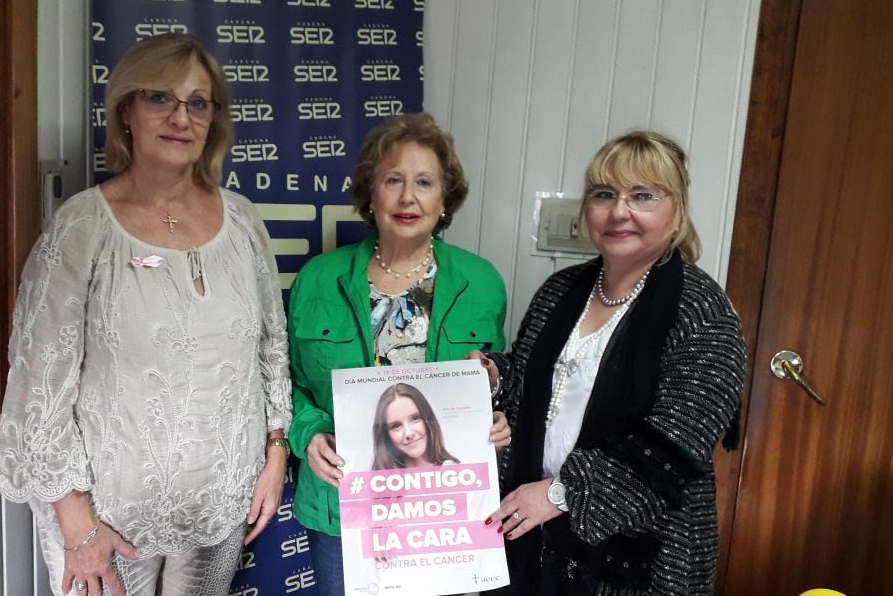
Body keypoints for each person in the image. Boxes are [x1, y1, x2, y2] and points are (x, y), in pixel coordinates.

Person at [0, 34, 292, 596]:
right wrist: (76, 524)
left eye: (198, 102)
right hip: (108, 516)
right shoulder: (83, 227)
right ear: (126, 110)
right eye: (161, 97)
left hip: (220, 501)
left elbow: (269, 348)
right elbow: (39, 387)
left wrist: (275, 452)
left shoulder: (244, 221)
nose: (181, 116)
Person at [482, 130, 747, 594]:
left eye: (643, 195)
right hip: (532, 530)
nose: (620, 211)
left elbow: (674, 446)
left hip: (641, 555)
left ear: (677, 209)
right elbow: (539, 384)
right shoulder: (559, 292)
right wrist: (494, 377)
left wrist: (561, 494)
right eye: (605, 194)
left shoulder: (701, 310)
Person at [287, 113, 511, 596]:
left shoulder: (484, 282)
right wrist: (308, 435)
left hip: (444, 511)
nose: (408, 197)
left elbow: (498, 379)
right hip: (340, 504)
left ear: (445, 199)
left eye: (425, 182)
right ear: (370, 194)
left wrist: (497, 419)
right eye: (393, 180)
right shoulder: (318, 280)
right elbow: (285, 382)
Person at [371, 382, 459, 470]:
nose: (409, 433)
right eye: (396, 426)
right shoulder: (379, 481)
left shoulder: (455, 473)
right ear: (386, 435)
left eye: (415, 418)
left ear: (428, 420)